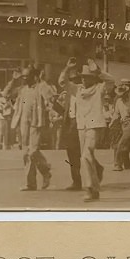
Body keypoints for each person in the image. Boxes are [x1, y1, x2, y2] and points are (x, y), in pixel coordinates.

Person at [62, 60, 107, 202]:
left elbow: (111, 81)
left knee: (85, 156)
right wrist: (67, 68)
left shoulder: (99, 88)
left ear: (92, 78)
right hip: (81, 127)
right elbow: (62, 81)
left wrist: (98, 71)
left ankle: (88, 188)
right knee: (88, 158)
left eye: (86, 77)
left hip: (94, 126)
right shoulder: (78, 90)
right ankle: (95, 191)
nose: (83, 79)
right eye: (82, 77)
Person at [4, 65, 53, 191]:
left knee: (33, 152)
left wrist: (42, 81)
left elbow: (51, 96)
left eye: (27, 76)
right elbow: (6, 94)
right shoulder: (22, 89)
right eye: (23, 76)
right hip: (23, 124)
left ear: (34, 77)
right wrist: (13, 80)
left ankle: (46, 170)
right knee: (26, 154)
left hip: (36, 123)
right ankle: (30, 184)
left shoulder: (40, 87)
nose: (24, 78)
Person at [58, 59, 84, 190]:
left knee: (80, 153)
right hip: (69, 122)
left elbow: (64, 82)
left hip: (79, 123)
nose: (73, 81)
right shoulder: (70, 88)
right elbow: (62, 81)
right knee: (71, 152)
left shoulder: (81, 88)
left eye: (75, 78)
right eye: (72, 79)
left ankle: (94, 170)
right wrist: (67, 68)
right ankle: (76, 181)